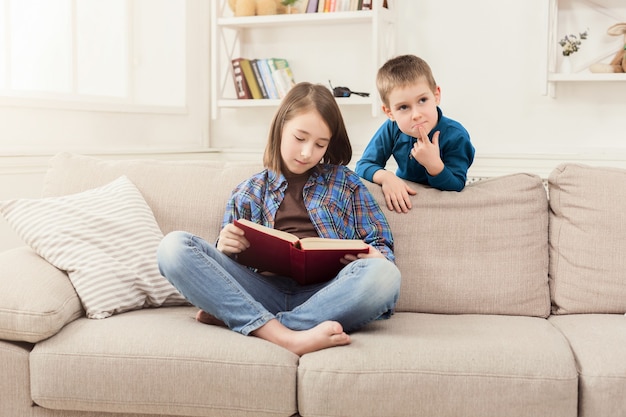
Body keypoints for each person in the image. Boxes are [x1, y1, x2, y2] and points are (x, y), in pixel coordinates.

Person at [157, 82, 401, 356]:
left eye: (320, 144)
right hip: (262, 291)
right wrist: (224, 248)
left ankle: (263, 326)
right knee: (173, 247)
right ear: (281, 127)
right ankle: (289, 336)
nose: (307, 152)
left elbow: (382, 246)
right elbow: (222, 276)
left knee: (385, 275)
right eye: (300, 138)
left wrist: (374, 257)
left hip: (328, 294)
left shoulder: (347, 183)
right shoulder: (247, 192)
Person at [355, 54, 475, 213]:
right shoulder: (392, 128)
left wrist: (434, 165)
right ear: (389, 112)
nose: (416, 114)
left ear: (436, 95)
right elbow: (363, 165)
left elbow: (456, 185)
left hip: (439, 205)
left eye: (423, 100)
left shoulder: (456, 136)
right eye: (403, 107)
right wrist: (386, 177)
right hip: (406, 200)